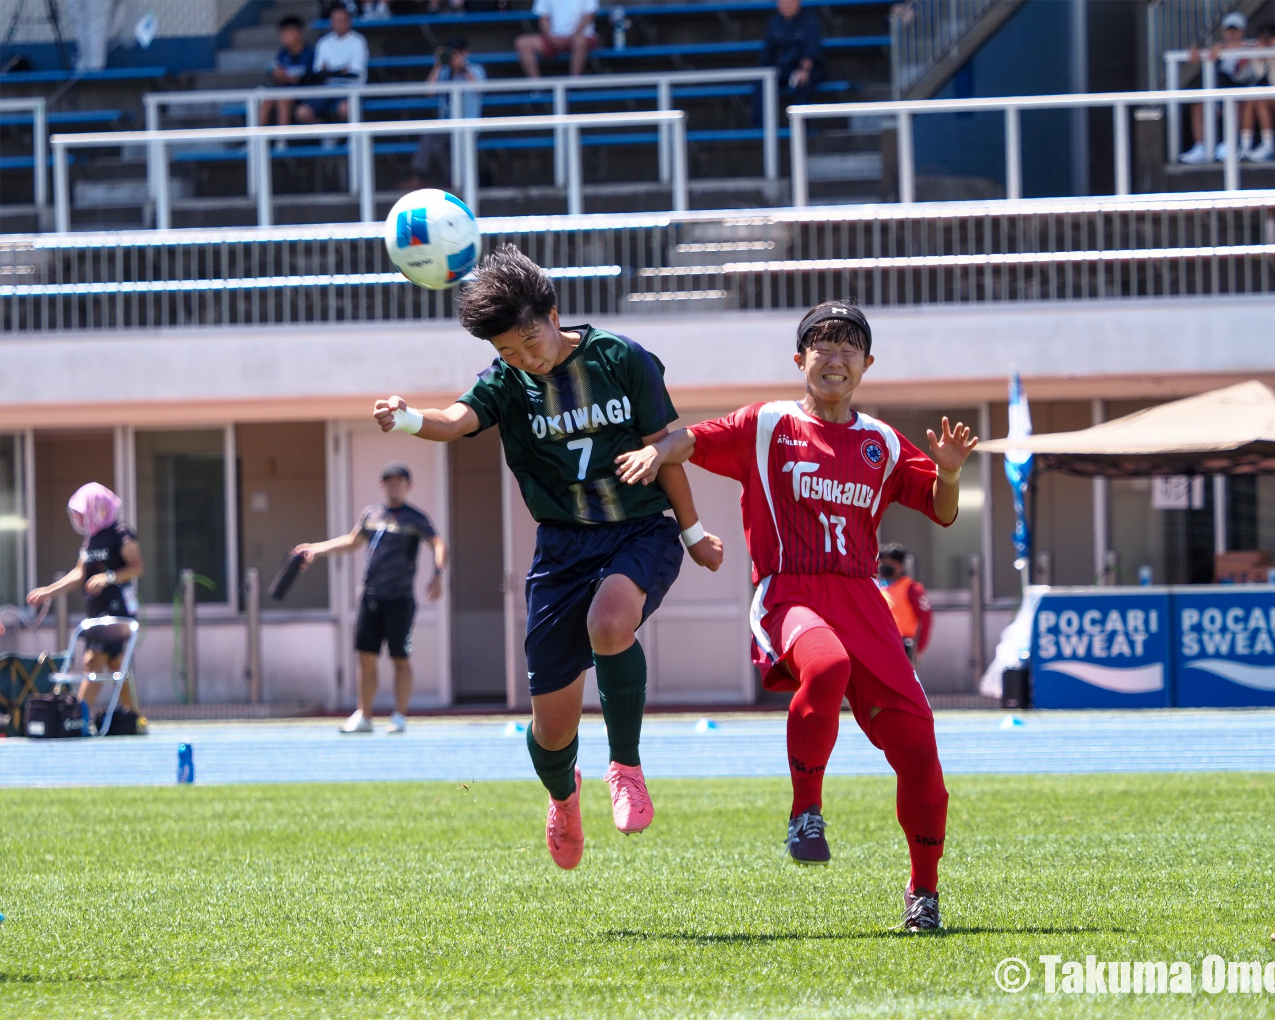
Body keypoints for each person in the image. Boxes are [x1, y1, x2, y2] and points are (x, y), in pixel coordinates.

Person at [614, 302, 976, 932]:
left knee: (921, 751)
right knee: (827, 665)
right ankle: (805, 812)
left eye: (848, 347)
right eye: (822, 345)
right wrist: (658, 453)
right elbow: (692, 438)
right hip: (790, 593)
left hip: (864, 600)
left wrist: (947, 472)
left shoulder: (882, 442)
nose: (834, 358)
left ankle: (925, 895)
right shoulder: (770, 424)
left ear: (867, 363)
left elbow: (942, 510)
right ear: (800, 359)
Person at [372, 243, 722, 870]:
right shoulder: (507, 385)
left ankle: (627, 767)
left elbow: (667, 445)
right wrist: (405, 419)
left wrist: (693, 533)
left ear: (554, 314)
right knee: (552, 729)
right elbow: (453, 422)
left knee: (611, 623)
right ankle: (564, 797)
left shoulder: (622, 359)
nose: (524, 359)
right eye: (508, 352)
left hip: (637, 530)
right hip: (562, 551)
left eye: (530, 342)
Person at [294, 463, 447, 735]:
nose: (394, 486)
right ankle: (364, 715)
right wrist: (316, 549)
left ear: (408, 485)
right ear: (382, 485)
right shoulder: (372, 514)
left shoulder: (415, 518)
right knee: (366, 657)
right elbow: (352, 541)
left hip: (399, 599)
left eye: (399, 481)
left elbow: (437, 544)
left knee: (400, 657)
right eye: (389, 481)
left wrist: (437, 573)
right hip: (370, 597)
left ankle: (399, 716)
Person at [25, 483, 143, 719]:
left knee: (93, 660)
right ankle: (134, 717)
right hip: (96, 612)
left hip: (117, 610)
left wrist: (108, 577)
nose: (77, 518)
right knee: (115, 664)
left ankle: (75, 716)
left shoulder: (120, 533)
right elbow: (79, 573)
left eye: (80, 511)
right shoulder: (92, 538)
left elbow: (137, 567)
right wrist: (49, 591)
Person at [1180, 12, 1270, 165]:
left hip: (1245, 93)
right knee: (1198, 106)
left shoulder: (1251, 45)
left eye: (1236, 30)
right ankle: (1201, 147)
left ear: (1243, 31)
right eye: (1229, 30)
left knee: (1235, 103)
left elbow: (1262, 48)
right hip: (1222, 93)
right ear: (1223, 31)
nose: (1232, 34)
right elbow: (1201, 54)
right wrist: (1196, 52)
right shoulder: (1217, 48)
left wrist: (1229, 47)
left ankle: (1231, 144)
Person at [403, 36, 487, 190]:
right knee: (431, 138)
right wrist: (438, 65)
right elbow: (429, 91)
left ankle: (454, 180)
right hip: (446, 124)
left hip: (468, 125)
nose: (454, 55)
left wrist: (463, 68)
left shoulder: (475, 69)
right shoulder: (444, 71)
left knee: (439, 145)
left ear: (466, 52)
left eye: (458, 52)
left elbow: (479, 89)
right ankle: (420, 176)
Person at [296, 4, 368, 127]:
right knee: (302, 113)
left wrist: (330, 71)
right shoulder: (323, 43)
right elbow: (319, 72)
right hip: (327, 88)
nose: (338, 23)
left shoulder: (358, 41)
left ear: (348, 21)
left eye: (341, 19)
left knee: (345, 109)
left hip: (350, 88)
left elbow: (354, 73)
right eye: (335, 20)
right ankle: (327, 134)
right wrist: (340, 71)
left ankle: (350, 140)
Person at [259, 16, 315, 150]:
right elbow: (278, 75)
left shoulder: (309, 53)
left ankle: (282, 140)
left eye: (288, 32)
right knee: (268, 98)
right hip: (285, 90)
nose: (284, 37)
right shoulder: (282, 54)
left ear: (298, 33)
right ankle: (257, 140)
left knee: (283, 98)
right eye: (282, 33)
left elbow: (304, 78)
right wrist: (277, 75)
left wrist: (286, 76)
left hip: (306, 94)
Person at [876, 544, 933, 664]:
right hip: (880, 644)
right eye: (883, 562)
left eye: (891, 563)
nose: (886, 566)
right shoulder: (878, 586)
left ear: (900, 566)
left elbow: (926, 619)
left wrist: (919, 648)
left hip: (901, 646)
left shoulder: (912, 588)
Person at [515, 0, 598, 78]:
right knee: (522, 43)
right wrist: (550, 37)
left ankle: (574, 82)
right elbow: (543, 17)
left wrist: (572, 36)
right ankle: (537, 86)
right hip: (554, 37)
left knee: (580, 42)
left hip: (580, 36)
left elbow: (589, 15)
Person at [764, 0, 823, 108]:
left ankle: (802, 123)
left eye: (790, 3)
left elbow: (811, 50)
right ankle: (760, 123)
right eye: (783, 3)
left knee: (804, 82)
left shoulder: (809, 21)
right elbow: (768, 53)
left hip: (805, 68)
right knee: (762, 83)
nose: (787, 6)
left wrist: (803, 70)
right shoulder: (774, 22)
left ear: (798, 3)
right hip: (782, 69)